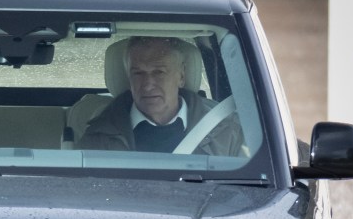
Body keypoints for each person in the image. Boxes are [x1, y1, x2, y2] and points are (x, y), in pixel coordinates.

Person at [77, 36, 244, 155]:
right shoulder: (98, 136)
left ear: (181, 76)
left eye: (159, 72)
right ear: (129, 78)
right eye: (138, 73)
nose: (148, 85)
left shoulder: (226, 131)